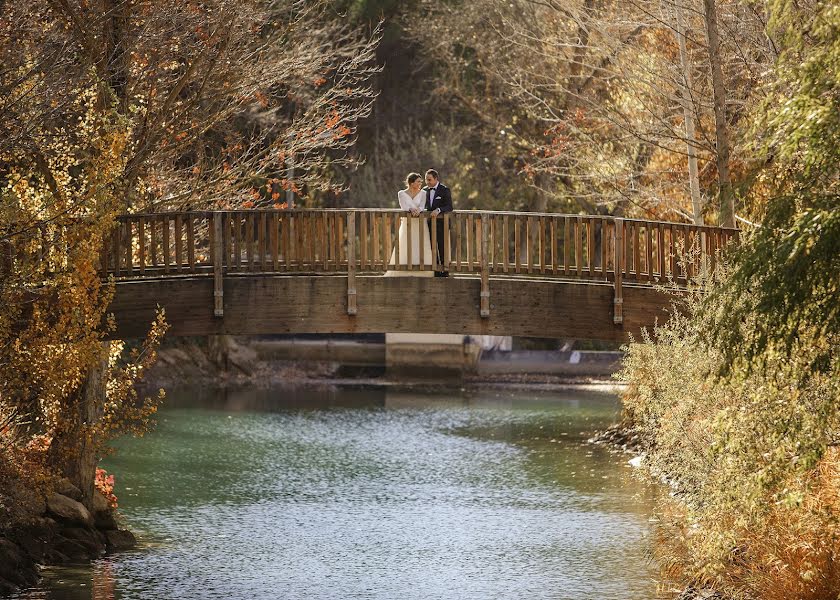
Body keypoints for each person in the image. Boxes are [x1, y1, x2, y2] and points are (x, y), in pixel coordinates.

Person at [385, 173, 434, 277]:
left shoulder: (423, 193)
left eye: (421, 181)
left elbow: (422, 206)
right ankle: (403, 269)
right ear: (411, 183)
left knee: (420, 243)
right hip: (407, 223)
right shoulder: (401, 193)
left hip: (420, 222)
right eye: (418, 181)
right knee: (405, 243)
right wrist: (410, 209)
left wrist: (418, 211)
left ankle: (424, 271)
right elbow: (403, 207)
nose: (421, 183)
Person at [423, 168, 453, 277]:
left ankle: (445, 271)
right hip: (429, 223)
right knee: (431, 247)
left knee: (442, 246)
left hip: (442, 224)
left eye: (429, 179)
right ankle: (435, 270)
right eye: (426, 180)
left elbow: (449, 206)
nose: (427, 182)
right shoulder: (425, 190)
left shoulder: (444, 190)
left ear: (436, 179)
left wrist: (439, 210)